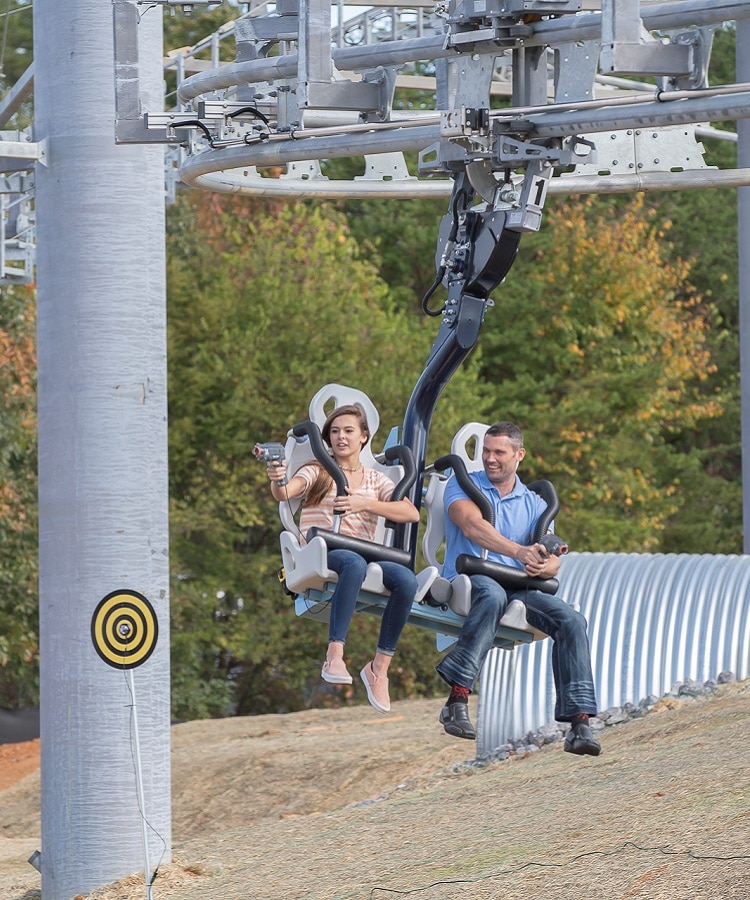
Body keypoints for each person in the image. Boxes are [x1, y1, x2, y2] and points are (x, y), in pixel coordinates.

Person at [436, 421, 601, 756]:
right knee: (493, 595)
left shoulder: (536, 504)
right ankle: (456, 699)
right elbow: (471, 525)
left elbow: (552, 552)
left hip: (520, 586)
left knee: (572, 620)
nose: (490, 458)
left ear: (518, 455)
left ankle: (579, 723)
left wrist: (548, 564)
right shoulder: (463, 484)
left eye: (499, 452)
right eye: (486, 451)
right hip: (473, 576)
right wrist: (518, 552)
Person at [267, 403, 420, 714]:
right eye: (335, 432)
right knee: (353, 564)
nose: (341, 437)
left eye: (348, 431)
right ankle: (334, 654)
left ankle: (378, 669)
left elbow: (410, 512)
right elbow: (285, 492)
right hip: (321, 549)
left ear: (363, 437)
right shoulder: (319, 469)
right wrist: (277, 477)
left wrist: (365, 503)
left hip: (363, 549)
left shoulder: (376, 480)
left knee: (406, 580)